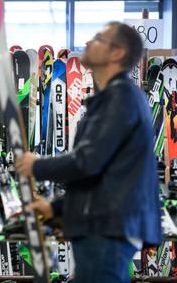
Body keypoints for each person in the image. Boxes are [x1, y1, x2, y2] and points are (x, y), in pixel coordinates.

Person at [16, 21, 162, 283]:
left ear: (116, 53)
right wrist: (56, 208)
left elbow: (88, 162)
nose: (87, 43)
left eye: (97, 39)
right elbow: (103, 177)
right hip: (104, 227)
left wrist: (36, 166)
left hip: (107, 231)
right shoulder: (117, 97)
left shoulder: (120, 98)